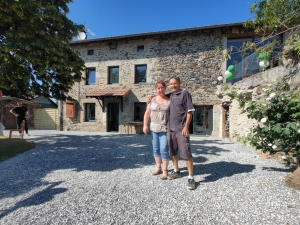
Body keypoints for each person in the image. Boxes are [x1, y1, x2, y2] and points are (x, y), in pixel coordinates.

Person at [143, 81, 170, 180]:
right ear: (156, 89)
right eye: (158, 88)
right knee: (155, 149)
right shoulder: (152, 100)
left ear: (165, 88)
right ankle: (158, 168)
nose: (160, 90)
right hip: (154, 129)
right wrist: (145, 125)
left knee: (164, 149)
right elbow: (147, 113)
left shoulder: (169, 101)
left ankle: (165, 170)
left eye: (162, 87)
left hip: (164, 129)